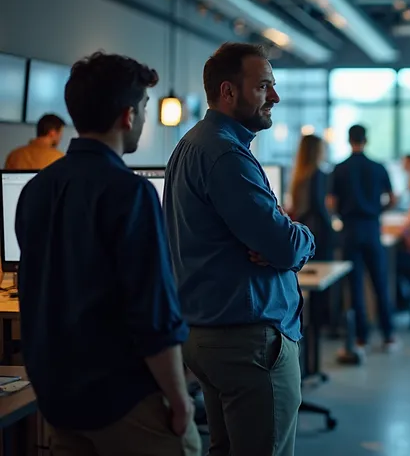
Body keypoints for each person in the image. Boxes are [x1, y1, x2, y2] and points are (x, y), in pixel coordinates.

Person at [15, 52, 198, 454]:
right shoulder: (130, 193)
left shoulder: (35, 191)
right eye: (145, 108)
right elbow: (152, 313)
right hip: (125, 400)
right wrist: (180, 398)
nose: (145, 118)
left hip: (59, 401)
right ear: (128, 115)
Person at [165, 43, 315, 456]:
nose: (275, 97)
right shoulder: (227, 155)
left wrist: (278, 235)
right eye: (264, 86)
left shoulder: (191, 144)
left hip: (210, 335)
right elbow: (284, 245)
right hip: (247, 340)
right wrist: (302, 236)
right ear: (229, 92)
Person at [329, 124, 398, 351]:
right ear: (366, 140)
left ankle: (361, 338)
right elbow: (392, 198)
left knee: (355, 286)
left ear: (349, 141)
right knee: (380, 282)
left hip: (349, 229)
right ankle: (388, 336)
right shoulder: (378, 167)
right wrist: (379, 211)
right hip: (371, 228)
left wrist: (341, 214)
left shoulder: (339, 168)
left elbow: (330, 202)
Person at [289, 134, 333, 261]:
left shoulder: (299, 176)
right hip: (318, 230)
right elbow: (318, 204)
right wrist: (330, 229)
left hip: (303, 229)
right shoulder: (318, 174)